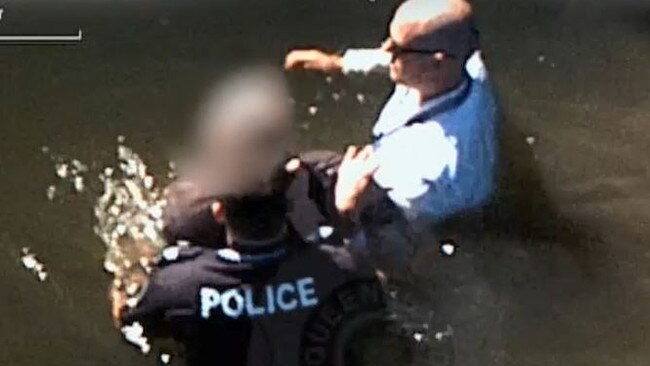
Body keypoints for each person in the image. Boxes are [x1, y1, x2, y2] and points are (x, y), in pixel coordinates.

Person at [112, 68, 388, 366]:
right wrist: (344, 219)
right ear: (289, 201)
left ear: (219, 211)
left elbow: (127, 317)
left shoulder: (177, 286)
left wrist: (131, 265)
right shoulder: (346, 266)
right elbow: (377, 292)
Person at [285, 0, 498, 232]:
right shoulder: (458, 66)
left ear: (436, 64)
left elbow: (387, 234)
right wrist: (340, 64)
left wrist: (345, 209)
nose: (385, 50)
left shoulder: (429, 167)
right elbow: (404, 56)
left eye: (396, 48)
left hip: (416, 215)